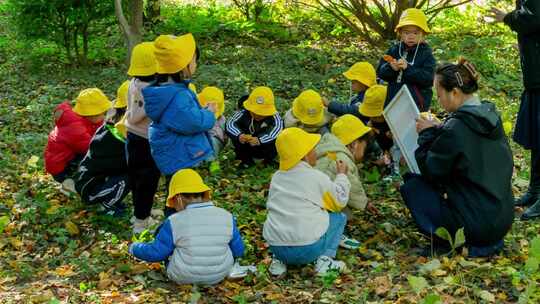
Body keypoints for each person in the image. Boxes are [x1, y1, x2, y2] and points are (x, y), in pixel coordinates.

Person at [400, 59, 514, 257]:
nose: (438, 99)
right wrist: (440, 130)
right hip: (502, 220)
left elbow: (431, 172)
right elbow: (466, 146)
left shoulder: (456, 128)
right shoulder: (489, 116)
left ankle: (452, 242)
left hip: (476, 228)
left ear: (454, 92)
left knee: (413, 186)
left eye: (439, 93)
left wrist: (426, 135)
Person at [129, 169, 245, 285]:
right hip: (219, 275)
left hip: (182, 276)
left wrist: (134, 248)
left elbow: (157, 253)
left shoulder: (174, 221)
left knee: (168, 242)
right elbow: (239, 250)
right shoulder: (226, 215)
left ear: (178, 198)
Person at [263, 127, 351, 276]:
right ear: (304, 155)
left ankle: (278, 263)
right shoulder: (315, 177)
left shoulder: (277, 177)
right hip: (308, 249)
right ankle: (324, 260)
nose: (315, 152)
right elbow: (338, 202)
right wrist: (342, 176)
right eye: (313, 149)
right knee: (339, 217)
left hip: (277, 248)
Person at [490, 1, 540, 219]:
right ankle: (535, 190)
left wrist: (507, 17)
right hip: (535, 78)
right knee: (538, 138)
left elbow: (533, 18)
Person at [143, 34, 216, 176]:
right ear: (183, 67)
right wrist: (209, 113)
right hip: (180, 158)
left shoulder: (166, 90)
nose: (196, 65)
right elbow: (192, 122)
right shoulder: (177, 96)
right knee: (182, 194)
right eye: (194, 61)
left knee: (179, 191)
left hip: (176, 155)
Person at [315, 114, 372, 249]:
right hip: (322, 207)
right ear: (354, 144)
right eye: (364, 146)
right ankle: (332, 232)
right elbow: (353, 188)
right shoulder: (342, 159)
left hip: (310, 201)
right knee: (342, 194)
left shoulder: (327, 151)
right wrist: (365, 203)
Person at [124, 42, 161, 233]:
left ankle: (140, 212)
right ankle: (141, 222)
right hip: (146, 140)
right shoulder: (152, 91)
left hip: (131, 136)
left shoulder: (133, 83)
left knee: (137, 179)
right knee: (148, 181)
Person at [44, 88, 111, 195]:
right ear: (92, 114)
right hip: (60, 167)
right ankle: (69, 183)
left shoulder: (82, 118)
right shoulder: (75, 129)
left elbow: (97, 126)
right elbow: (91, 147)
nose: (104, 116)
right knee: (95, 160)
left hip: (66, 157)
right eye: (102, 114)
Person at [74, 105, 130, 217]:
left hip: (93, 181)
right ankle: (106, 206)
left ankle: (111, 199)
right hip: (89, 191)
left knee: (127, 175)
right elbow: (119, 165)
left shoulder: (106, 130)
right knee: (128, 179)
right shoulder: (110, 144)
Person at [376, 8, 436, 112]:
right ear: (400, 33)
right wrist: (391, 68)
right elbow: (380, 73)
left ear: (424, 34)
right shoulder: (394, 50)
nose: (411, 36)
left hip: (416, 104)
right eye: (406, 33)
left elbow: (429, 79)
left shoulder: (426, 53)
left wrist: (408, 68)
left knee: (413, 127)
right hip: (393, 100)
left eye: (416, 33)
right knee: (393, 126)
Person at [226, 86, 283, 167]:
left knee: (274, 144)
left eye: (261, 113)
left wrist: (260, 140)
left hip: (264, 145)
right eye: (254, 112)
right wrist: (239, 135)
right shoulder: (243, 111)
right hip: (245, 144)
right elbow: (230, 123)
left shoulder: (275, 117)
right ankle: (244, 160)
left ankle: (266, 160)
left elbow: (277, 130)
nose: (257, 115)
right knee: (237, 142)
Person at [198, 86, 228, 173]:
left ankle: (212, 162)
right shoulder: (222, 119)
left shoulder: (220, 120)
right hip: (207, 140)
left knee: (212, 143)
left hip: (214, 141)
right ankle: (204, 161)